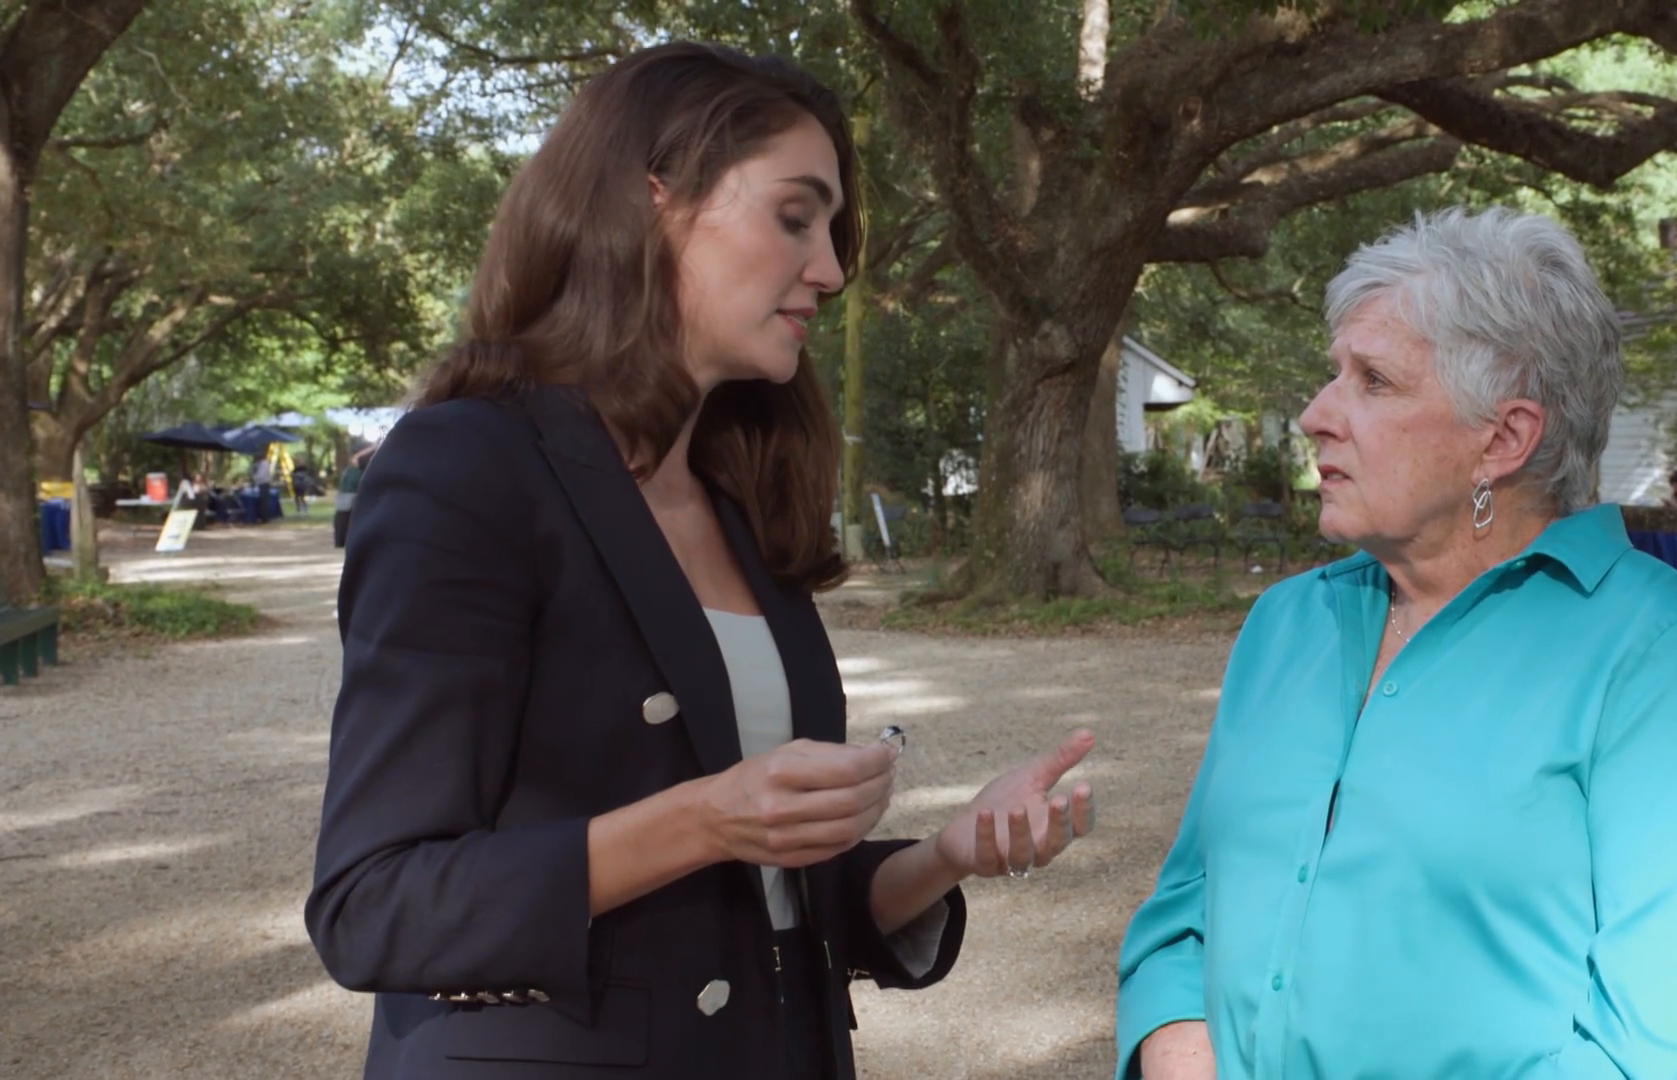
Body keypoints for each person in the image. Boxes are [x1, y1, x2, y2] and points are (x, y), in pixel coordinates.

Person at [306, 43, 1096, 1080]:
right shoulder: (470, 468)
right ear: (655, 202)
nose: (831, 271)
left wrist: (946, 855)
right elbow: (372, 905)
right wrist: (706, 819)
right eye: (795, 217)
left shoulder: (737, 499)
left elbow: (769, 910)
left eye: (832, 232)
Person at [1116, 208, 1677, 1079]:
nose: (1316, 414)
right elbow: (1187, 910)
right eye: (1334, 374)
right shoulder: (1287, 624)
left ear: (1502, 439)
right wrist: (1179, 1052)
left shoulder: (1668, 665)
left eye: (1374, 381)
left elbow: (1667, 1058)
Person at [332, 444, 372, 549]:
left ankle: (341, 540)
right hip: (351, 496)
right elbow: (356, 459)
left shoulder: (350, 470)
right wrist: (374, 447)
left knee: (343, 517)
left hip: (345, 496)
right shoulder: (355, 469)